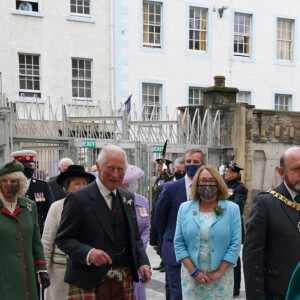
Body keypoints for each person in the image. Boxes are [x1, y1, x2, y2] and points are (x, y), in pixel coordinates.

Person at [56, 145, 152, 299]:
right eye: (111, 168)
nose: (115, 174)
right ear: (99, 167)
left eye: (120, 169)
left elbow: (135, 239)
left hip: (122, 280)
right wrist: (88, 253)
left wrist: (143, 263)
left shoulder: (126, 198)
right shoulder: (78, 198)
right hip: (88, 280)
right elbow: (63, 239)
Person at [174, 165, 241, 299]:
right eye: (203, 180)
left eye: (211, 180)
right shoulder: (185, 208)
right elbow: (179, 243)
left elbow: (235, 244)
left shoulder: (232, 209)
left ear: (218, 182)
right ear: (197, 183)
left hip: (221, 278)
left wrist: (219, 273)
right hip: (192, 277)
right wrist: (194, 272)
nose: (207, 184)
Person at [243, 146, 300, 300]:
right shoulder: (265, 204)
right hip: (281, 293)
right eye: (297, 169)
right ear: (282, 172)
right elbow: (253, 258)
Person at [155, 148, 205, 300]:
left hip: (202, 252)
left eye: (195, 162)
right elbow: (159, 218)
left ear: (203, 164)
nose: (191, 164)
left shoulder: (209, 187)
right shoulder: (170, 188)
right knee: (178, 294)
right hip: (174, 251)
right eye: (188, 161)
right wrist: (170, 236)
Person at [42, 165, 95, 300]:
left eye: (84, 183)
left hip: (87, 270)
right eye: (76, 183)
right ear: (67, 186)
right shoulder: (57, 207)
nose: (81, 187)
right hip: (61, 272)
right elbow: (47, 241)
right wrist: (44, 270)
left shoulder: (95, 206)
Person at [0, 160, 50, 300]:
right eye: (4, 180)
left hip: (26, 276)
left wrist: (42, 269)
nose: (8, 185)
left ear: (20, 183)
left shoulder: (29, 207)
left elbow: (35, 240)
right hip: (3, 277)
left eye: (13, 181)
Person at [150, 156, 185, 300]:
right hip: (169, 240)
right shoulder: (164, 186)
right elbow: (157, 216)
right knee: (171, 283)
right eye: (179, 171)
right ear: (174, 169)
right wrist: (156, 240)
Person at [120, 164, 151, 300]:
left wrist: (141, 246)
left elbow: (147, 226)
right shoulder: (117, 199)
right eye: (131, 182)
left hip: (138, 255)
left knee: (138, 289)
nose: (134, 184)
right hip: (122, 254)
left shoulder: (142, 200)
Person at [11, 150, 54, 234]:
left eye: (30, 166)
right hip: (15, 231)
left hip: (37, 231)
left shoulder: (42, 186)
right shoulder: (10, 186)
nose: (28, 168)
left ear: (34, 168)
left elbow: (49, 212)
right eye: (24, 166)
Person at [224, 161, 248, 296]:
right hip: (222, 224)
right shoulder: (224, 185)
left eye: (228, 171)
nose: (226, 173)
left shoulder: (240, 188)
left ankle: (236, 287)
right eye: (226, 171)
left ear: (235, 173)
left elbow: (237, 206)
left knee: (234, 257)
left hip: (234, 224)